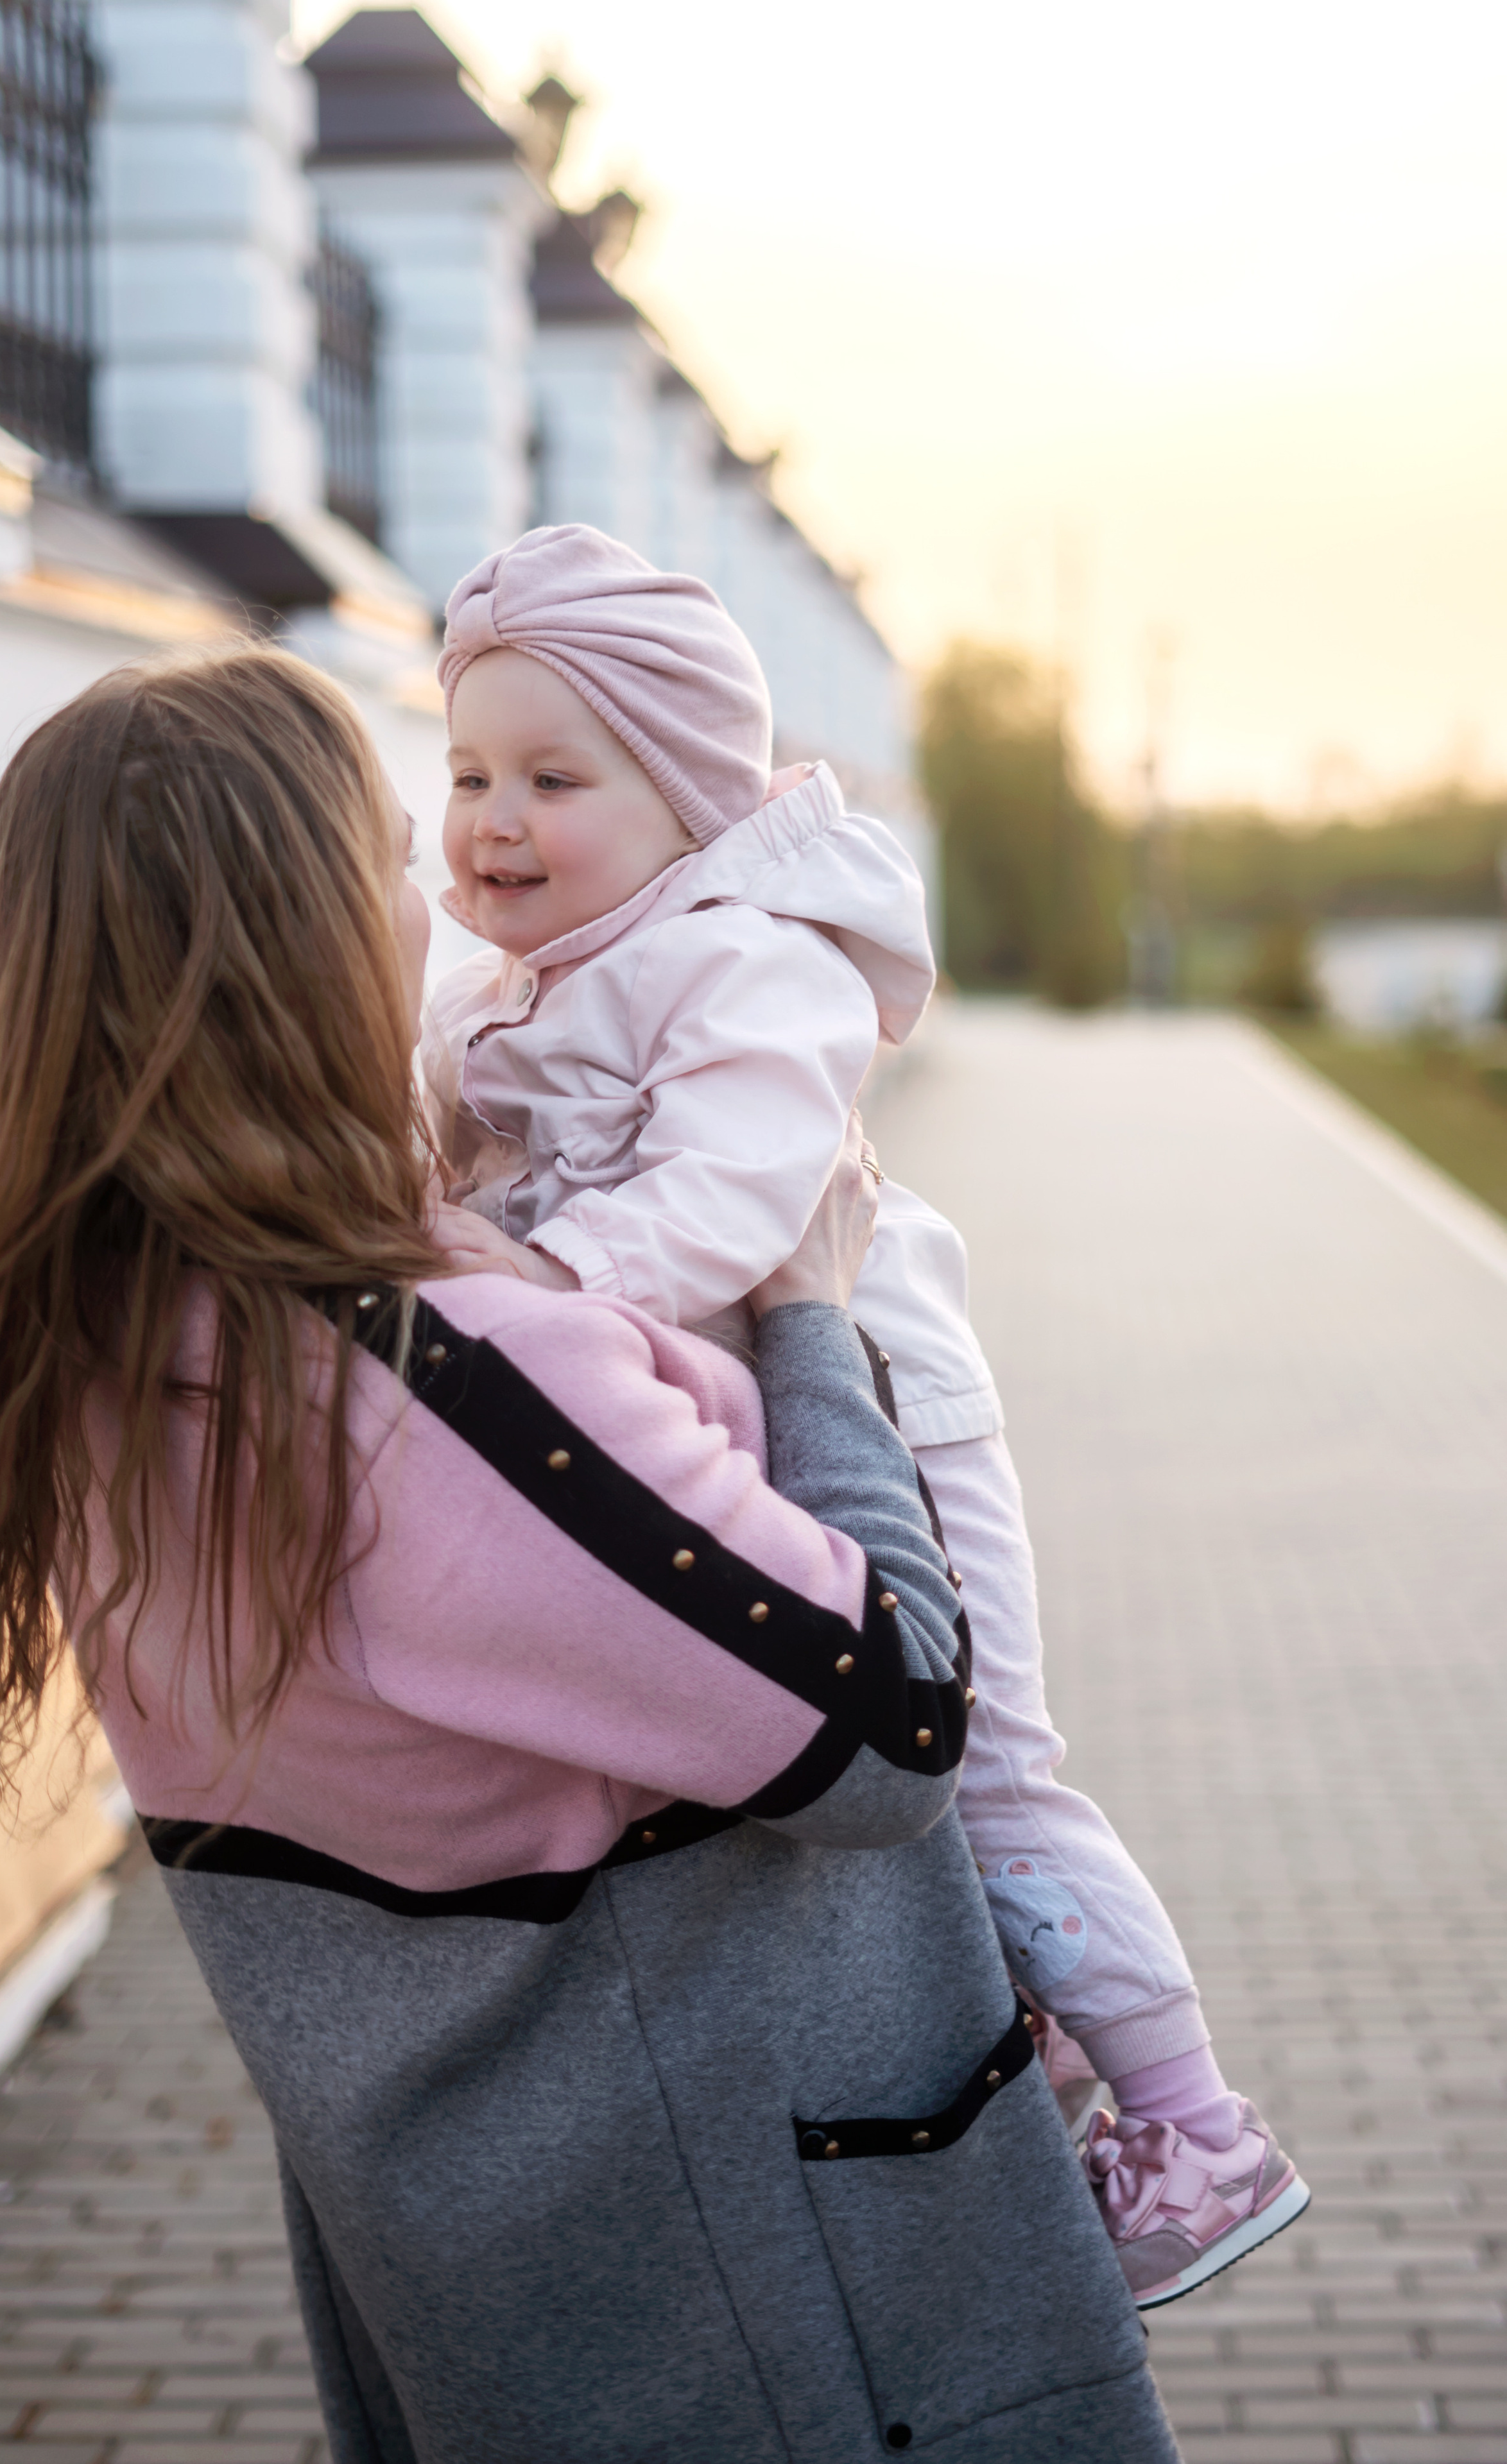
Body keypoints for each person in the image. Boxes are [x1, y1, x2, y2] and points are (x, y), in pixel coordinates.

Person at [0, 643, 1180, 2462]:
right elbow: (894, 1723)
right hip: (786, 2318)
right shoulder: (426, 1383)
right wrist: (812, 1317)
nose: (433, 912)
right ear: (303, 941)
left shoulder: (92, 1360)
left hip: (503, 2297)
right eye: (387, 868)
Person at [422, 522, 1309, 2307]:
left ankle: (1195, 2126)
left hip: (895, 1408)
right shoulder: (529, 983)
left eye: (549, 777)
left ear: (682, 796)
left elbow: (729, 1205)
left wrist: (530, 1298)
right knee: (855, 1766)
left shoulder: (748, 962)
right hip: (769, 1411)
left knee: (985, 1767)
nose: (491, 820)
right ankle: (1037, 2057)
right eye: (464, 775)